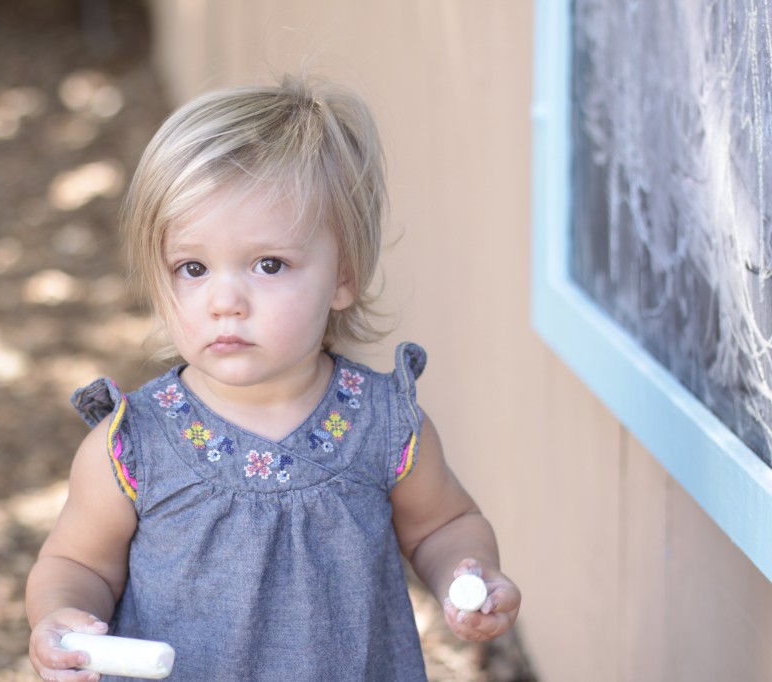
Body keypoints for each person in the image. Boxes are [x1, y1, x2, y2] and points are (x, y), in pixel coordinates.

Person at [26, 75, 521, 682]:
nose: (225, 301)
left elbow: (444, 525)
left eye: (268, 264)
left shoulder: (385, 423)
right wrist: (61, 617)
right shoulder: (133, 446)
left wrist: (468, 576)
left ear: (344, 276)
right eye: (192, 268)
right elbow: (79, 563)